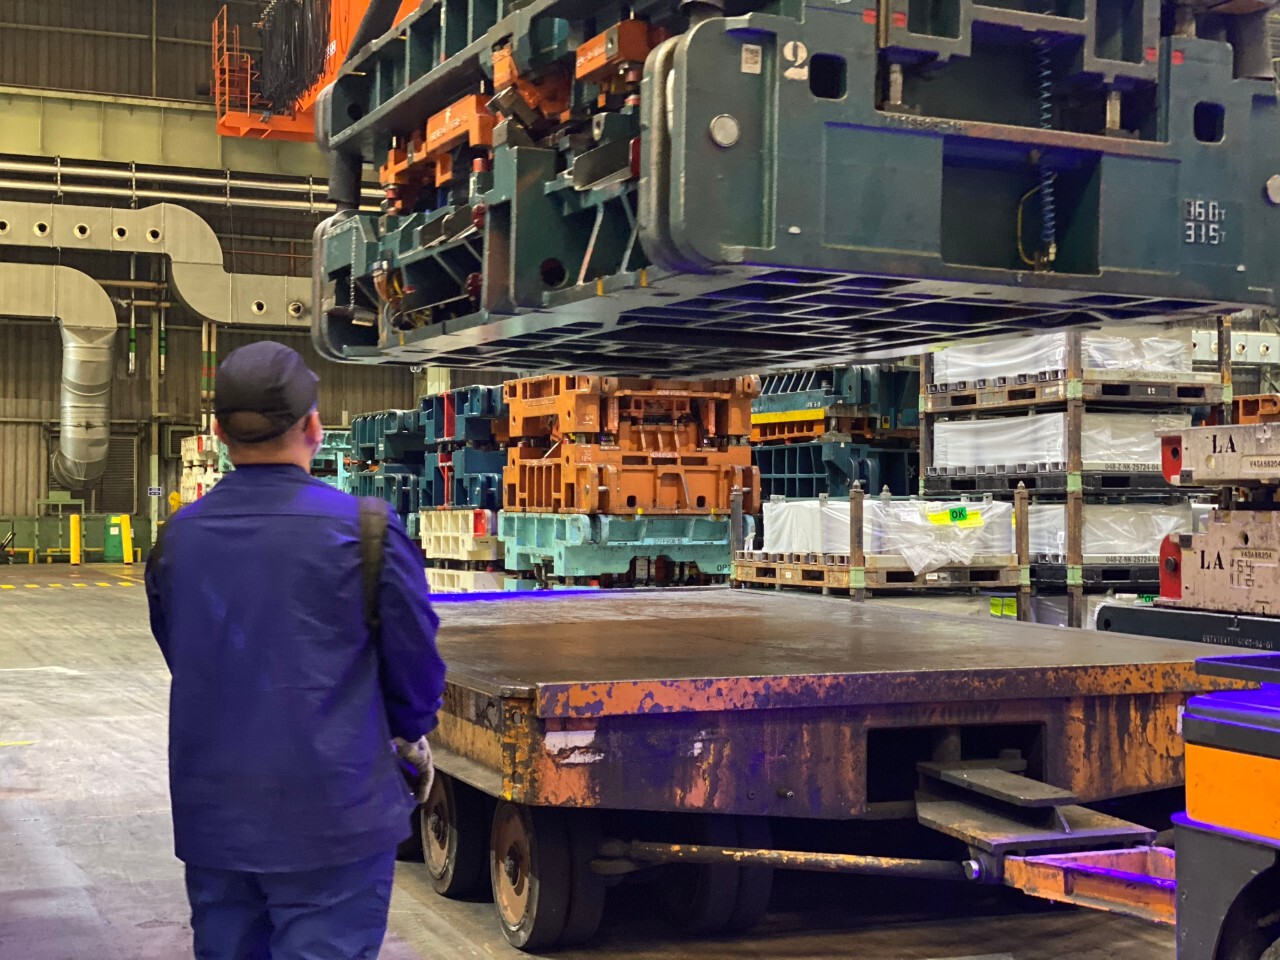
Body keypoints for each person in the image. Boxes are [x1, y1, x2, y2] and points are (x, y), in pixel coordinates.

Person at [145, 341, 446, 960]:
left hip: (216, 816)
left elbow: (183, 651)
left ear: (220, 434)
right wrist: (407, 734)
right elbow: (415, 666)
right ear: (313, 426)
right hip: (334, 813)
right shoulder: (366, 530)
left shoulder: (177, 539)